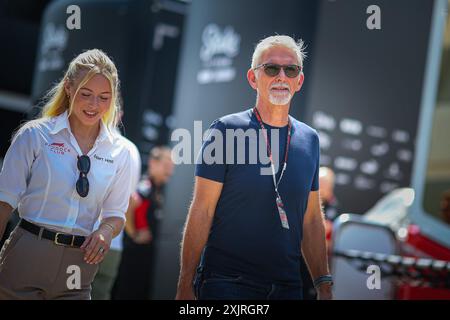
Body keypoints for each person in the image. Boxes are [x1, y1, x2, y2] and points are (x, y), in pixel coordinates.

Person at [176, 35, 332, 300]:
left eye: (290, 69)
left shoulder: (310, 139)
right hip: (227, 283)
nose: (281, 76)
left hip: (288, 287)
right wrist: (184, 284)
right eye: (271, 68)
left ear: (299, 80)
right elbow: (202, 209)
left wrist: (323, 285)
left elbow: (312, 219)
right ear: (252, 78)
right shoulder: (225, 130)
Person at [0, 49, 132, 300]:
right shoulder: (34, 135)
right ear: (69, 88)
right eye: (86, 94)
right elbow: (3, 202)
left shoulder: (120, 152)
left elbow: (116, 215)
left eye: (104, 97)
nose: (94, 105)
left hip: (80, 262)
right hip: (27, 250)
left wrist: (105, 232)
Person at [91, 102, 142, 300]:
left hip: (84, 240)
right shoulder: (131, 149)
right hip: (112, 243)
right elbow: (130, 200)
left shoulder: (87, 141)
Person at [113, 146, 174, 299]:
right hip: (133, 257)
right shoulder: (145, 187)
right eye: (166, 165)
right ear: (153, 163)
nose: (170, 171)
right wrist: (134, 233)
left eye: (172, 167)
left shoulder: (157, 189)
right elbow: (128, 205)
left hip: (144, 257)